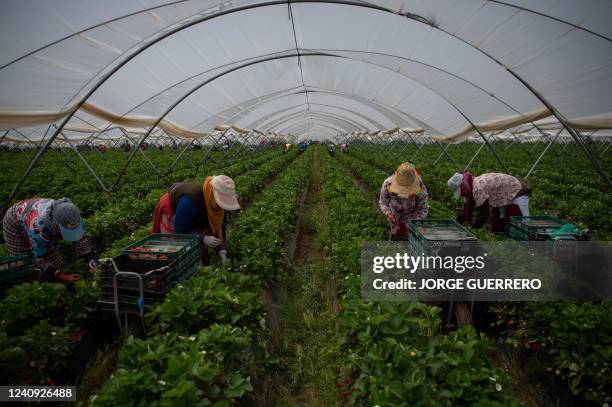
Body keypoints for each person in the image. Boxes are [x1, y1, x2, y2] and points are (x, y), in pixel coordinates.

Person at [151, 175, 240, 264]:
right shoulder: (189, 201)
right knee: (173, 244)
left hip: (193, 209)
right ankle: (171, 267)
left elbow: (221, 226)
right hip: (172, 207)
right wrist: (203, 238)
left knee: (200, 247)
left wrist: (222, 249)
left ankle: (202, 262)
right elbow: (179, 230)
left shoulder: (216, 205)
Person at [2, 198, 95, 283]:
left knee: (55, 262)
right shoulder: (39, 228)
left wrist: (90, 263)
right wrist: (60, 275)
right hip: (14, 221)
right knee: (26, 263)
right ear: (56, 224)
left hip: (35, 214)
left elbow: (80, 240)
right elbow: (40, 259)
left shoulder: (74, 216)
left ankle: (53, 278)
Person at [447, 172, 532, 233]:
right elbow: (467, 206)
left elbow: (484, 214)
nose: (462, 195)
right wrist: (459, 220)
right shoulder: (473, 183)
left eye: (461, 192)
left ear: (464, 186)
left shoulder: (478, 189)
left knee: (516, 224)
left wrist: (475, 228)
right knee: (498, 224)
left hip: (517, 191)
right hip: (504, 195)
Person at [379, 163, 429, 240]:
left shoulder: (420, 188)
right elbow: (383, 202)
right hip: (395, 216)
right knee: (396, 239)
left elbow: (423, 208)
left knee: (410, 241)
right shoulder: (388, 184)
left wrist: (412, 224)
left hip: (413, 217)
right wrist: (389, 214)